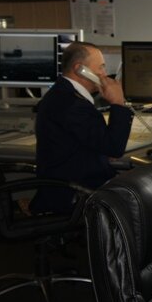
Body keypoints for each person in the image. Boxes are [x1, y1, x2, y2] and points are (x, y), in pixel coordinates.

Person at [30, 41, 133, 214]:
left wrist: (101, 151)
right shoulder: (73, 104)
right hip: (74, 192)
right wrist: (118, 103)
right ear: (80, 69)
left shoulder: (62, 94)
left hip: (70, 181)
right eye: (100, 67)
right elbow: (115, 148)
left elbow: (79, 140)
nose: (104, 74)